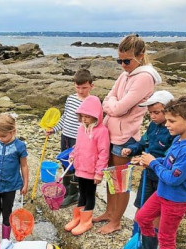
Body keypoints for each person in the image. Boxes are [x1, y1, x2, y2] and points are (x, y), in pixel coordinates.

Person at [94, 34, 162, 234]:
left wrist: (111, 105)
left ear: (140, 56)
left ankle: (116, 221)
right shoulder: (125, 74)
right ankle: (109, 211)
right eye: (119, 60)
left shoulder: (145, 78)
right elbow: (109, 98)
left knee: (119, 179)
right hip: (110, 130)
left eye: (127, 60)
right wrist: (111, 105)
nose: (123, 65)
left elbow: (119, 107)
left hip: (126, 136)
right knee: (109, 174)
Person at [132, 96, 186, 249]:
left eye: (172, 121)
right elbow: (169, 162)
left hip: (176, 200)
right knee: (143, 217)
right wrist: (150, 161)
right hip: (162, 194)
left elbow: (174, 178)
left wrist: (153, 163)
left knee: (166, 236)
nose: (167, 124)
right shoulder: (180, 139)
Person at [46, 68, 93, 207]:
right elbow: (65, 117)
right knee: (64, 163)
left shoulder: (91, 102)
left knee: (76, 166)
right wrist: (54, 129)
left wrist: (85, 142)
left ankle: (74, 194)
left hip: (79, 140)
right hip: (65, 136)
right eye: (78, 87)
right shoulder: (71, 99)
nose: (80, 90)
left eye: (84, 87)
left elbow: (93, 124)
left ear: (91, 86)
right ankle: (66, 190)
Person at [122, 91, 175, 215]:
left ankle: (152, 234)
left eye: (156, 113)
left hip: (162, 177)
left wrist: (149, 161)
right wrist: (131, 149)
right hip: (147, 173)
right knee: (141, 204)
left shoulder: (172, 131)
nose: (152, 116)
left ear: (168, 111)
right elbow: (143, 142)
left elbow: (169, 157)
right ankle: (137, 231)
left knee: (157, 210)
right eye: (150, 112)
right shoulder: (152, 125)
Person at [64, 96, 109, 235]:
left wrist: (99, 173)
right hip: (80, 168)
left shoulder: (102, 131)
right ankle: (77, 217)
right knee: (81, 193)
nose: (84, 119)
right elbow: (78, 146)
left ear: (96, 116)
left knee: (89, 194)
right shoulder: (81, 129)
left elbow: (103, 153)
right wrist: (73, 156)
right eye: (82, 116)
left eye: (88, 117)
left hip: (92, 171)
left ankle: (86, 221)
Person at [0, 113, 28, 249]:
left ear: (13, 131)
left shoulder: (20, 146)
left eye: (3, 136)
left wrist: (25, 183)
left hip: (10, 186)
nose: (0, 139)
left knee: (7, 212)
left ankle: (5, 241)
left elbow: (24, 166)